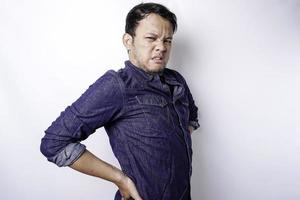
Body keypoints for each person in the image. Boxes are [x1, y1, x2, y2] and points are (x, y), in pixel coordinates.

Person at [40, 2, 200, 200]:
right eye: (151, 38)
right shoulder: (116, 86)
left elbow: (191, 117)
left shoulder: (176, 79)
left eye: (167, 40)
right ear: (128, 41)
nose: (161, 47)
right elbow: (54, 143)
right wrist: (120, 179)